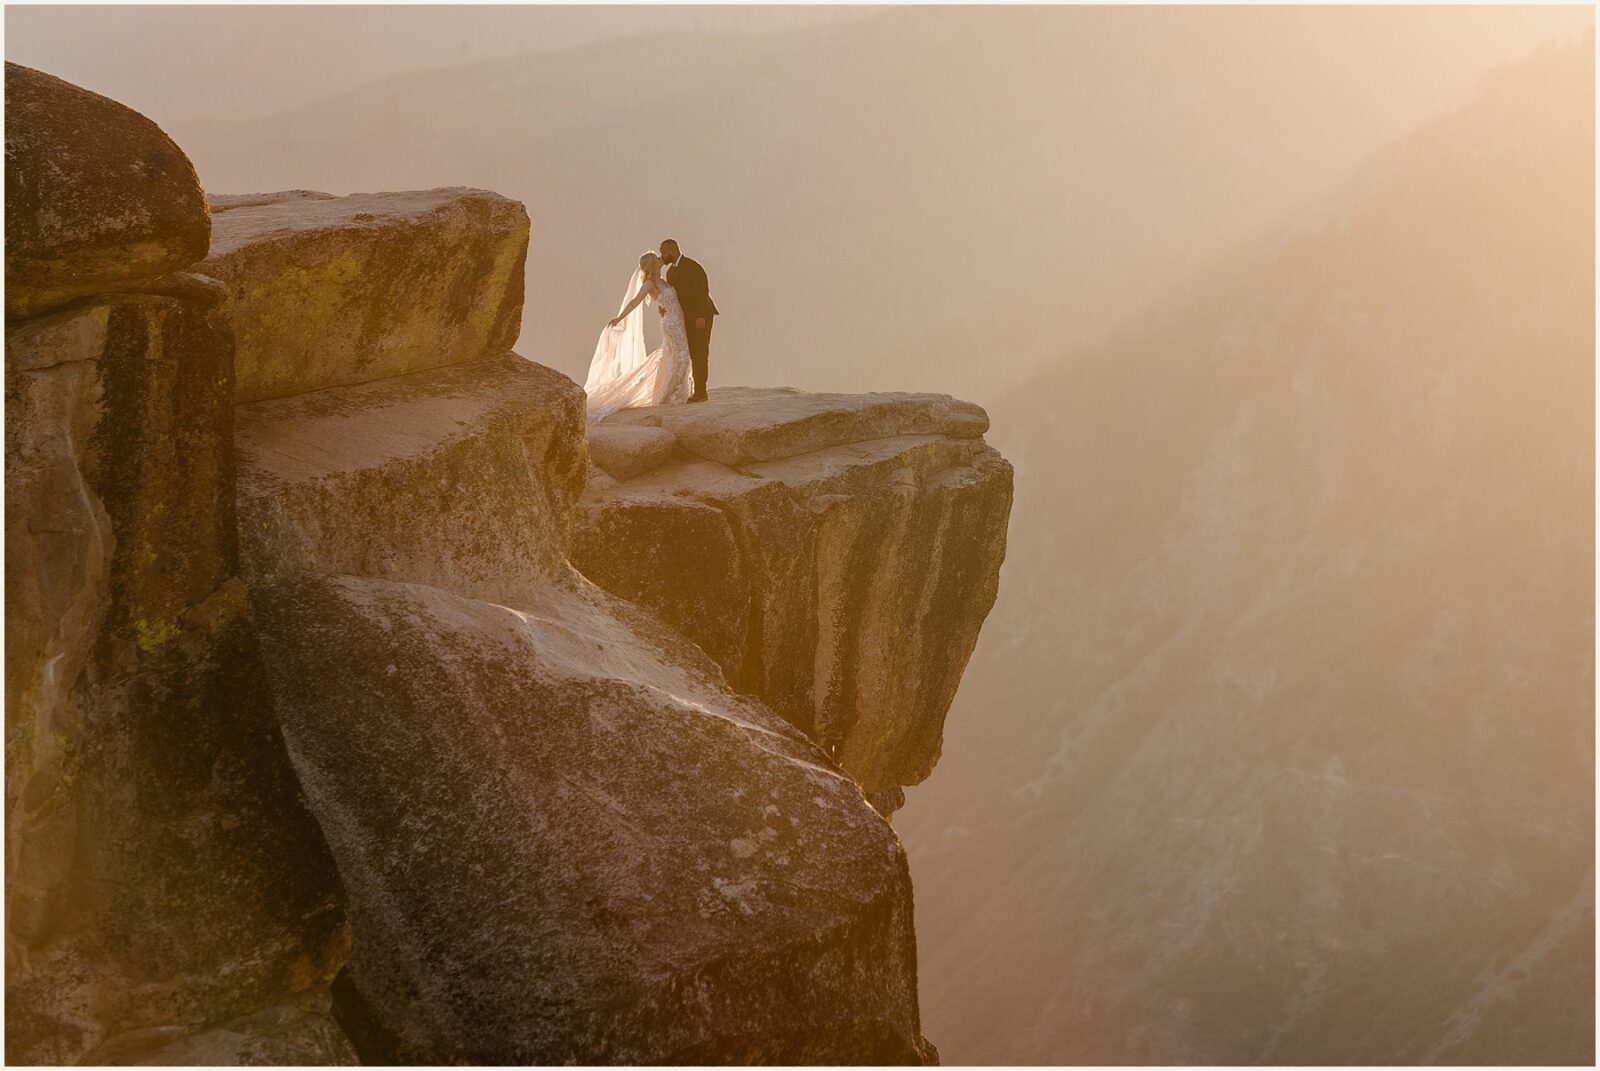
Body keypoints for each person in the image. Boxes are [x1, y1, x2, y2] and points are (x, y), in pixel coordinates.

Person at [582, 251, 691, 424]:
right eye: (656, 258)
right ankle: (672, 396)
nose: (659, 258)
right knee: (681, 356)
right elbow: (634, 302)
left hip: (679, 321)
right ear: (652, 265)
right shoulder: (649, 283)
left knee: (676, 357)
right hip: (670, 324)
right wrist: (619, 318)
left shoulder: (665, 278)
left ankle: (671, 394)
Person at [658, 238, 717, 402]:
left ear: (671, 251)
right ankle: (689, 390)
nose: (661, 256)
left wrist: (699, 317)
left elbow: (702, 292)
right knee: (689, 351)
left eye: (663, 253)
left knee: (700, 352)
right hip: (684, 318)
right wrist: (664, 307)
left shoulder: (693, 267)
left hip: (701, 316)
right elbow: (673, 296)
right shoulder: (670, 272)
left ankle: (701, 392)